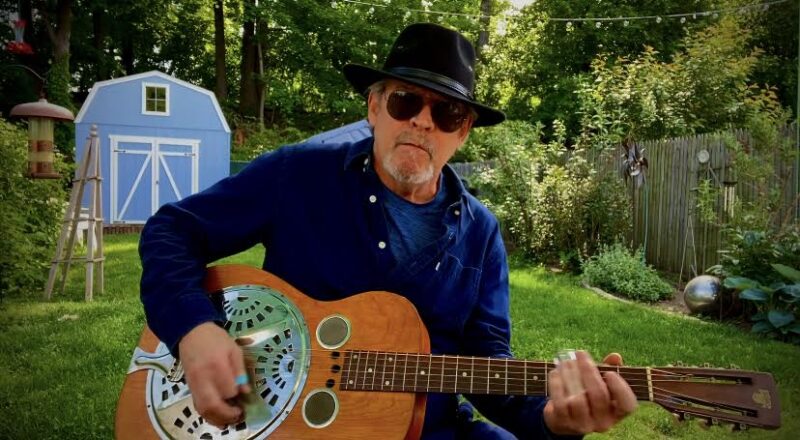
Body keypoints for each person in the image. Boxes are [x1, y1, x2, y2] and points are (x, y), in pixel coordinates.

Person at [139, 23, 637, 439]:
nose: (423, 122)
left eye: (447, 113)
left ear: (461, 133)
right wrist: (194, 328)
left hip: (427, 429)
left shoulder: (481, 232)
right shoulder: (299, 174)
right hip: (283, 420)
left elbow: (490, 368)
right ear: (374, 108)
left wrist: (554, 419)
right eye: (405, 102)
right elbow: (171, 231)